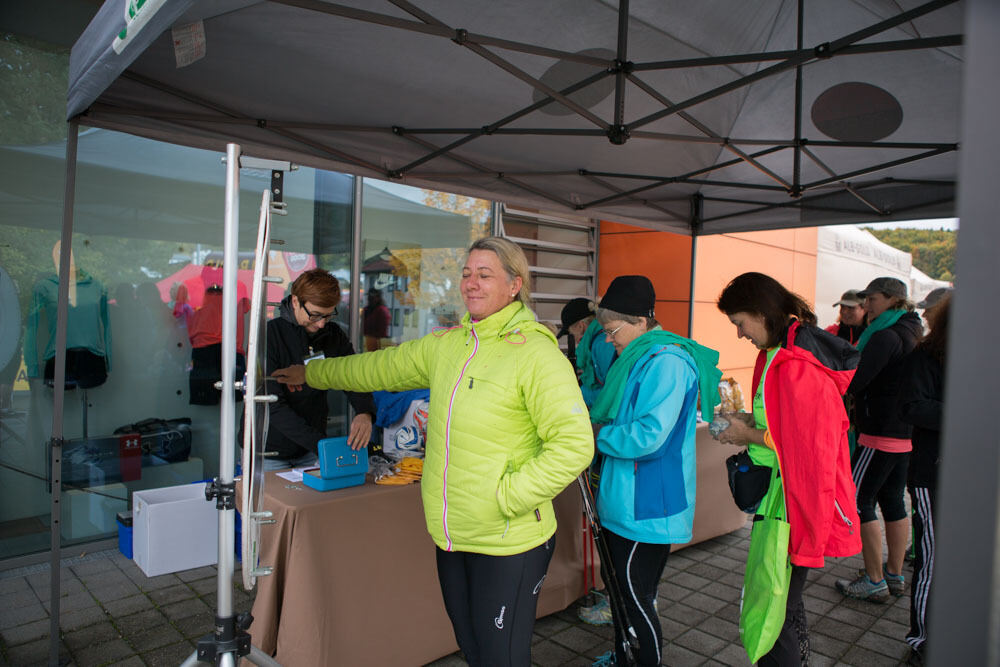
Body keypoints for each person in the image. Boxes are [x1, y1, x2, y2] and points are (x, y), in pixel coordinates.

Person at [273, 236, 593, 665]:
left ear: (515, 285)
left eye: (484, 275)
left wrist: (506, 497)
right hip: (452, 535)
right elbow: (375, 367)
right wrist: (313, 373)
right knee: (473, 648)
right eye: (466, 273)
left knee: (502, 657)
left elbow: (574, 446)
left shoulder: (536, 354)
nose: (470, 284)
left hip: (508, 540)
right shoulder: (450, 346)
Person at [714, 272, 861, 666]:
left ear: (761, 313)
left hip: (795, 506)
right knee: (785, 609)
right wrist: (748, 422)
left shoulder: (797, 364)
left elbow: (810, 449)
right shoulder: (784, 353)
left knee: (775, 615)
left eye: (740, 323)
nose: (741, 334)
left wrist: (747, 434)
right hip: (787, 501)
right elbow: (787, 427)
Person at [588, 275, 722, 667]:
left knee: (637, 596)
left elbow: (649, 436)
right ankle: (623, 655)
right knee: (622, 592)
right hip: (626, 496)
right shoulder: (640, 356)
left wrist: (598, 434)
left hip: (647, 503)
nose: (609, 340)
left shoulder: (667, 361)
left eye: (612, 331)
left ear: (641, 321)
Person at [836, 277, 922, 602]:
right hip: (904, 434)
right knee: (893, 501)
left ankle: (874, 580)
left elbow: (855, 381)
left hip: (879, 434)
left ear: (890, 299)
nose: (866, 306)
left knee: (857, 501)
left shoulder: (886, 336)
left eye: (871, 299)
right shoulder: (913, 330)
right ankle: (894, 574)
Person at [263, 269, 375, 470]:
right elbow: (272, 405)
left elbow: (352, 375)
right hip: (269, 451)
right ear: (296, 301)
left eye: (328, 315)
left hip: (311, 450)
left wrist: (364, 412)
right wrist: (322, 445)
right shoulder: (269, 336)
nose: (322, 324)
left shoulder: (333, 334)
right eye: (315, 315)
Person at [898, 293, 950, 665]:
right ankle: (923, 640)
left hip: (970, 475)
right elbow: (912, 407)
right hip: (931, 473)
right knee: (932, 559)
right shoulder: (925, 356)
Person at [557, 297, 617, 407]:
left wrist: (578, 394)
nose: (574, 339)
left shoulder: (602, 344)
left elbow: (613, 393)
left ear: (581, 326)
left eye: (571, 333)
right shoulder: (600, 340)